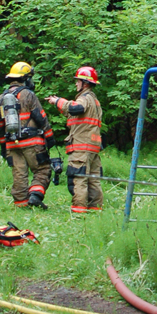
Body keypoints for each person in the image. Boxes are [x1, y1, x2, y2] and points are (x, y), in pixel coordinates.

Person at [0, 62, 54, 208]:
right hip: (32, 142)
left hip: (11, 143)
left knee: (19, 175)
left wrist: (3, 145)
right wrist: (49, 136)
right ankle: (35, 196)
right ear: (25, 79)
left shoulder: (1, 98)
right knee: (43, 169)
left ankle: (21, 204)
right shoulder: (28, 95)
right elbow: (40, 117)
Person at [47, 66, 103, 213]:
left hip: (82, 147)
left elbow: (76, 109)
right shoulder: (94, 101)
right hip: (93, 147)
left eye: (78, 81)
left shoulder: (84, 98)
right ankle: (95, 210)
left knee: (78, 178)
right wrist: (58, 105)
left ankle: (79, 213)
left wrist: (59, 100)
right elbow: (75, 115)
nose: (76, 84)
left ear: (85, 83)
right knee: (93, 180)